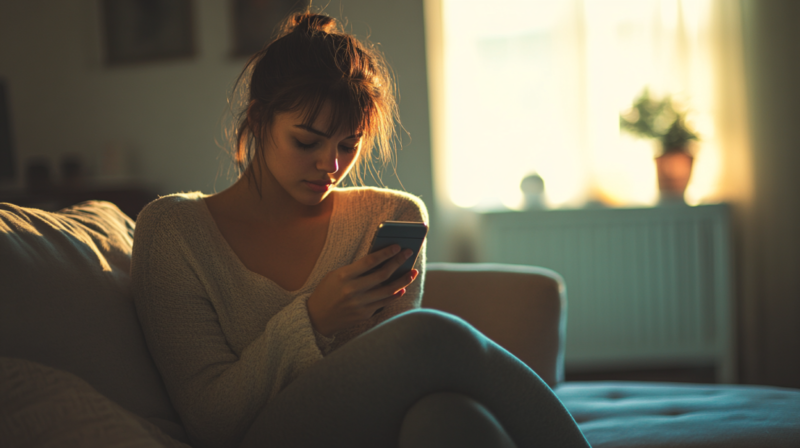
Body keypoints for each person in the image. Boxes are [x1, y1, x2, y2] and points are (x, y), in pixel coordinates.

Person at [131, 10, 591, 448]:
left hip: (377, 427)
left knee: (446, 415)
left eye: (348, 145)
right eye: (306, 141)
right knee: (431, 336)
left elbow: (400, 381)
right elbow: (210, 422)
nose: (330, 165)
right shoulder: (173, 232)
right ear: (257, 120)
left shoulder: (388, 217)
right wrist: (312, 320)